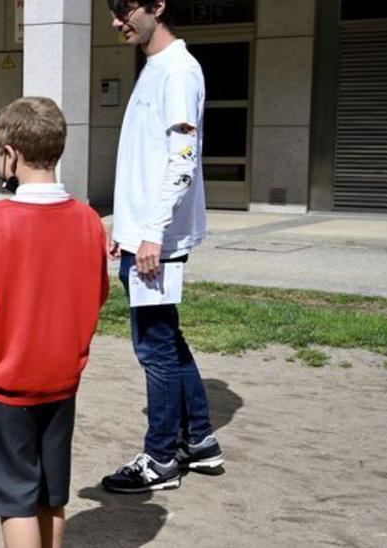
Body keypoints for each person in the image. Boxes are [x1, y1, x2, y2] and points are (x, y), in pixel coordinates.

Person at [0, 97, 108, 548]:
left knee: (14, 501)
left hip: (5, 387)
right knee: (51, 497)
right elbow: (96, 298)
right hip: (60, 383)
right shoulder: (89, 222)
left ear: (10, 155)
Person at [101, 0, 224, 494]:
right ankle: (200, 443)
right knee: (166, 340)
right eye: (112, 12)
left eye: (124, 9)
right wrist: (125, 229)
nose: (116, 22)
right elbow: (145, 158)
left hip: (158, 240)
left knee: (154, 348)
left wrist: (150, 232)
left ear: (157, 6)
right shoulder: (157, 67)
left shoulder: (178, 71)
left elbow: (182, 160)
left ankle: (160, 459)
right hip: (143, 234)